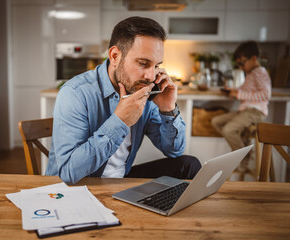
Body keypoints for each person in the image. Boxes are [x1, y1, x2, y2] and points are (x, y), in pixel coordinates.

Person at [46, 16, 201, 184]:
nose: (150, 76)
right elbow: (67, 174)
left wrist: (168, 109)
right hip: (82, 187)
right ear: (114, 56)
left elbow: (174, 151)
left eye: (156, 66)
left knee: (189, 165)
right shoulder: (75, 93)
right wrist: (120, 121)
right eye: (143, 63)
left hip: (120, 180)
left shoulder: (144, 93)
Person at [212, 41, 272, 171]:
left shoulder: (260, 72)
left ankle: (243, 155)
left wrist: (239, 94)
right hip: (245, 111)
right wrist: (233, 91)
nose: (240, 67)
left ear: (254, 58)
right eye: (238, 64)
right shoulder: (251, 74)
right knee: (216, 121)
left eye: (242, 63)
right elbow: (245, 90)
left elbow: (265, 94)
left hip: (255, 112)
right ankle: (243, 148)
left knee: (228, 130)